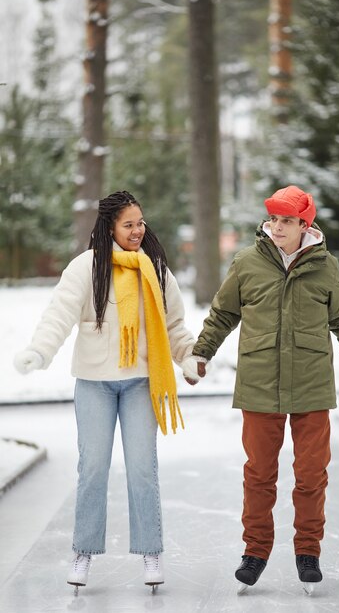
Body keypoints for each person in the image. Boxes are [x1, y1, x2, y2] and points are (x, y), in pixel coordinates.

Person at [182, 185, 339, 590]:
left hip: (311, 384)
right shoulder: (247, 262)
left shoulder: (325, 266)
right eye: (274, 219)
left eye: (288, 220)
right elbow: (223, 313)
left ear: (305, 224)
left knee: (311, 475)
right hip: (260, 382)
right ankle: (255, 552)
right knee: (259, 474)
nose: (278, 226)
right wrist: (202, 353)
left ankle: (308, 551)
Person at [14, 190, 196, 592]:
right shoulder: (87, 269)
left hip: (140, 384)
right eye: (129, 224)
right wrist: (38, 352)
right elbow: (58, 315)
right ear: (110, 226)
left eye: (141, 222)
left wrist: (189, 359)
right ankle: (83, 552)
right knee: (93, 469)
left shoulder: (156, 270)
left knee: (142, 470)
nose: (137, 230)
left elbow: (175, 327)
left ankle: (151, 550)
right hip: (94, 385)